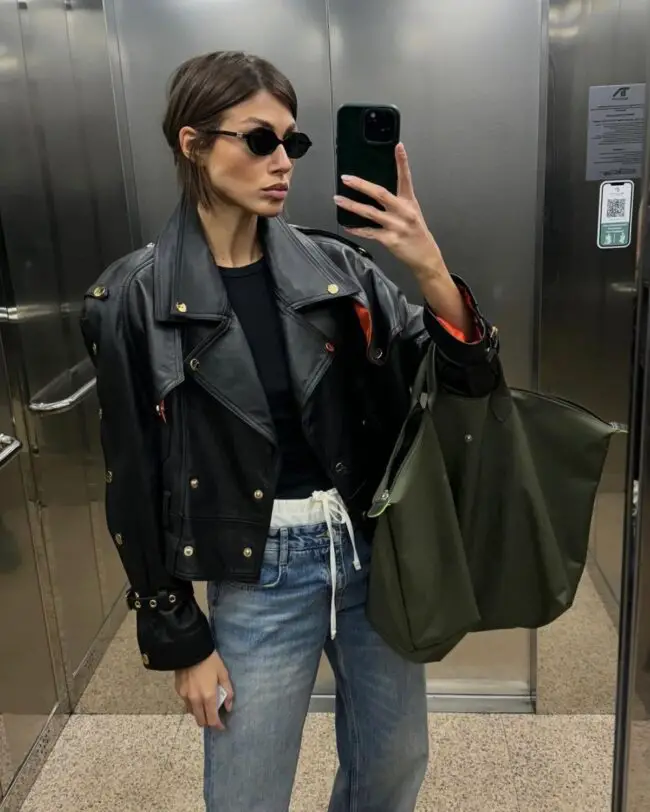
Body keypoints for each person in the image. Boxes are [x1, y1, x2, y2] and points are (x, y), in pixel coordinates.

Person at [81, 51, 500, 812]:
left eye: (292, 142)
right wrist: (180, 633)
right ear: (192, 144)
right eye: (259, 140)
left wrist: (429, 267)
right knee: (246, 791)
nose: (283, 162)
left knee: (394, 766)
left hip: (368, 550)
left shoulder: (339, 270)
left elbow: (465, 380)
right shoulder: (135, 297)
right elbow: (133, 478)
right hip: (258, 569)